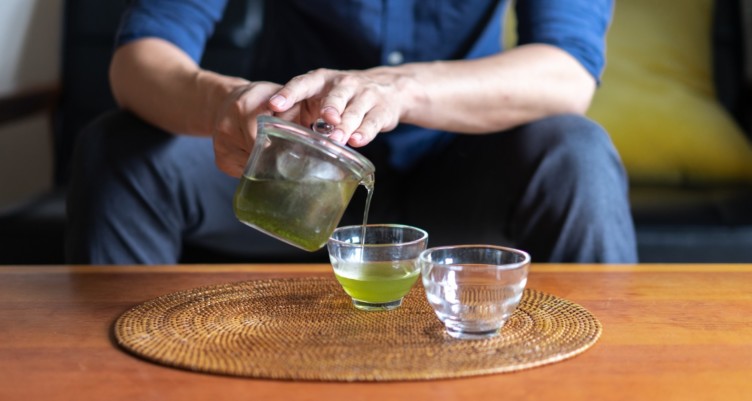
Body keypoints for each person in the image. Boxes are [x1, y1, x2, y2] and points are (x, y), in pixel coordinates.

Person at [65, 0, 638, 264]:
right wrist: (228, 102)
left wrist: (400, 90)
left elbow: (565, 72)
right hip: (285, 176)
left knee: (577, 152)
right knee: (118, 149)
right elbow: (139, 58)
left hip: (462, 176)